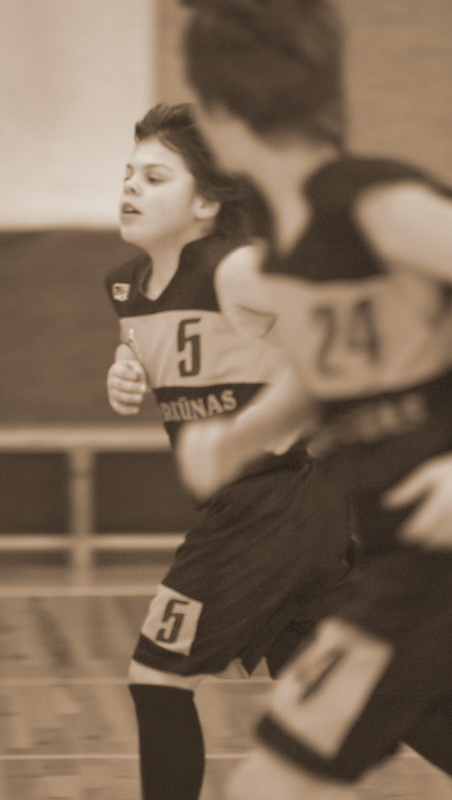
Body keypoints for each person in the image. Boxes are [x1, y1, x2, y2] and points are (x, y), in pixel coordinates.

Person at [177, 1, 452, 798]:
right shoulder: (286, 241)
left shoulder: (371, 200)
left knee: (272, 784)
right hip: (397, 560)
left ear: (218, 114)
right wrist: (241, 435)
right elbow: (333, 371)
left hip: (429, 572)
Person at [104, 101, 354, 800]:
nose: (131, 186)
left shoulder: (237, 270)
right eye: (128, 174)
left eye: (155, 177)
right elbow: (148, 348)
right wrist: (123, 369)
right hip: (289, 514)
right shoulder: (124, 287)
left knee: (157, 678)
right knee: (350, 695)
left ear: (206, 203)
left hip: (268, 505)